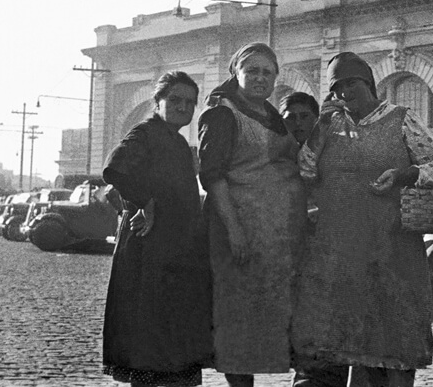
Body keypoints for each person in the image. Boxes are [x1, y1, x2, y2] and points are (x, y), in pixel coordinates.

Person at [291, 51, 433, 387]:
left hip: (394, 250)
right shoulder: (330, 126)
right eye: (338, 86)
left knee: (398, 341)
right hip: (343, 254)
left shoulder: (401, 118)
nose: (346, 92)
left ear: (369, 83)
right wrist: (319, 126)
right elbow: (303, 171)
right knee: (353, 346)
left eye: (352, 83)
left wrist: (405, 174)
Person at [198, 42, 308, 387]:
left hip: (275, 234)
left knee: (268, 315)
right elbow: (212, 176)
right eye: (252, 71)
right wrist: (234, 231)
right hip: (240, 229)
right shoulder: (222, 113)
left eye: (267, 72)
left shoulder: (271, 115)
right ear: (236, 73)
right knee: (238, 316)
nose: (260, 78)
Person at [102, 71, 213, 387]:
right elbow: (114, 169)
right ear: (158, 102)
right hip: (149, 253)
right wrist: (145, 203)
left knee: (174, 345)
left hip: (175, 255)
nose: (183, 107)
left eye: (190, 102)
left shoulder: (176, 141)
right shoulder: (146, 133)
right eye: (175, 100)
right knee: (149, 346)